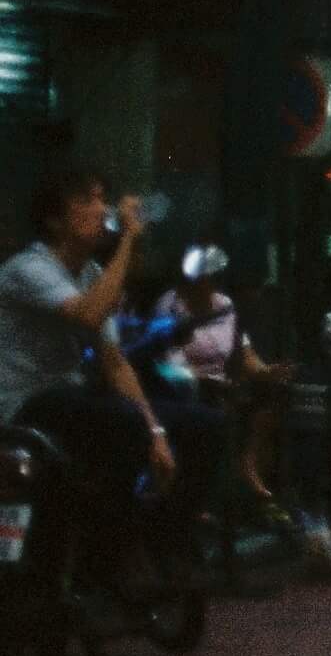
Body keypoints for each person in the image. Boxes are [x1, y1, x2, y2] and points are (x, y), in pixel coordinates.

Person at [1, 170, 226, 570]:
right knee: (120, 425)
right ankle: (99, 564)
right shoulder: (29, 268)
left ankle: (163, 542)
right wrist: (127, 240)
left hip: (69, 402)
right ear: (55, 220)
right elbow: (88, 313)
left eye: (102, 198)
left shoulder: (89, 275)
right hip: (25, 407)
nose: (102, 209)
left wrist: (156, 430)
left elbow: (114, 361)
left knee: (204, 424)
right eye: (87, 201)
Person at [156, 245, 297, 515]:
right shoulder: (170, 306)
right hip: (189, 386)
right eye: (202, 277)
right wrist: (204, 379)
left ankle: (248, 465)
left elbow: (244, 353)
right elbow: (167, 364)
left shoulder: (224, 305)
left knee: (275, 393)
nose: (209, 283)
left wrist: (268, 372)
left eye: (213, 277)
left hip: (228, 382)